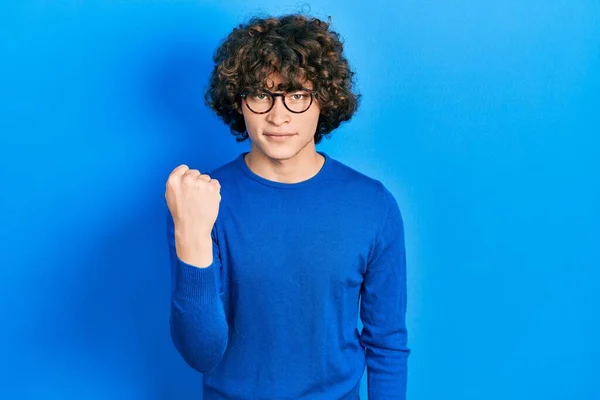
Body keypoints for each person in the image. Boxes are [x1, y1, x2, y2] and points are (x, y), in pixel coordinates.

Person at [164, 13, 410, 400]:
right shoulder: (201, 201)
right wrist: (190, 234)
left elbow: (387, 344)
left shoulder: (373, 205)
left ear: (324, 99)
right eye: (261, 95)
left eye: (296, 95)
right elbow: (202, 353)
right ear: (239, 101)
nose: (278, 116)